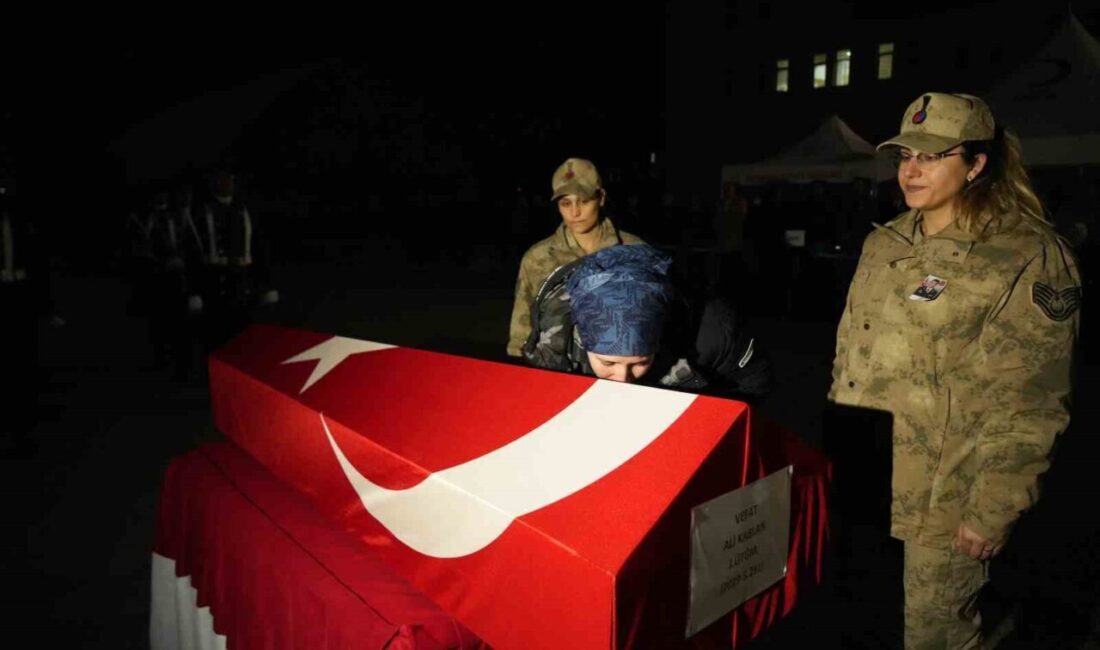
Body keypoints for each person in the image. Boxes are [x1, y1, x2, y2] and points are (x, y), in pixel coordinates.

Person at [828, 92, 1080, 649]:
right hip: (865, 480)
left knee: (934, 636)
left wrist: (995, 508)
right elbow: (850, 358)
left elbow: (1031, 399)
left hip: (944, 500)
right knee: (862, 620)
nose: (911, 170)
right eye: (903, 156)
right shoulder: (883, 242)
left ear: (977, 163)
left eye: (932, 155)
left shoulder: (1025, 255)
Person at [522, 243, 771, 398]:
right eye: (608, 362)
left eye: (641, 362)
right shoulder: (556, 330)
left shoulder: (713, 333)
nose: (623, 379)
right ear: (581, 337)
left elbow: (751, 389)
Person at [506, 158, 643, 357]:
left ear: (601, 197)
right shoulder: (537, 258)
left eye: (584, 201)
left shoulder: (634, 252)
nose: (575, 212)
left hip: (619, 371)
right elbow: (521, 335)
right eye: (565, 203)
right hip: (556, 373)